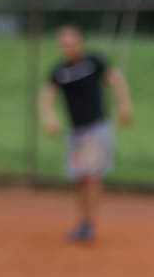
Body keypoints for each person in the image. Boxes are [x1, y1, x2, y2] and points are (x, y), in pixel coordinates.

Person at [39, 25, 133, 243]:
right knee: (80, 179)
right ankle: (83, 221)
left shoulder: (94, 62)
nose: (67, 48)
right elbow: (46, 95)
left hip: (97, 129)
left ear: (81, 42)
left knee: (92, 176)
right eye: (63, 44)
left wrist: (125, 106)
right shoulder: (60, 71)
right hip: (76, 132)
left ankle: (89, 224)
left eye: (71, 43)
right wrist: (49, 118)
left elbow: (116, 80)